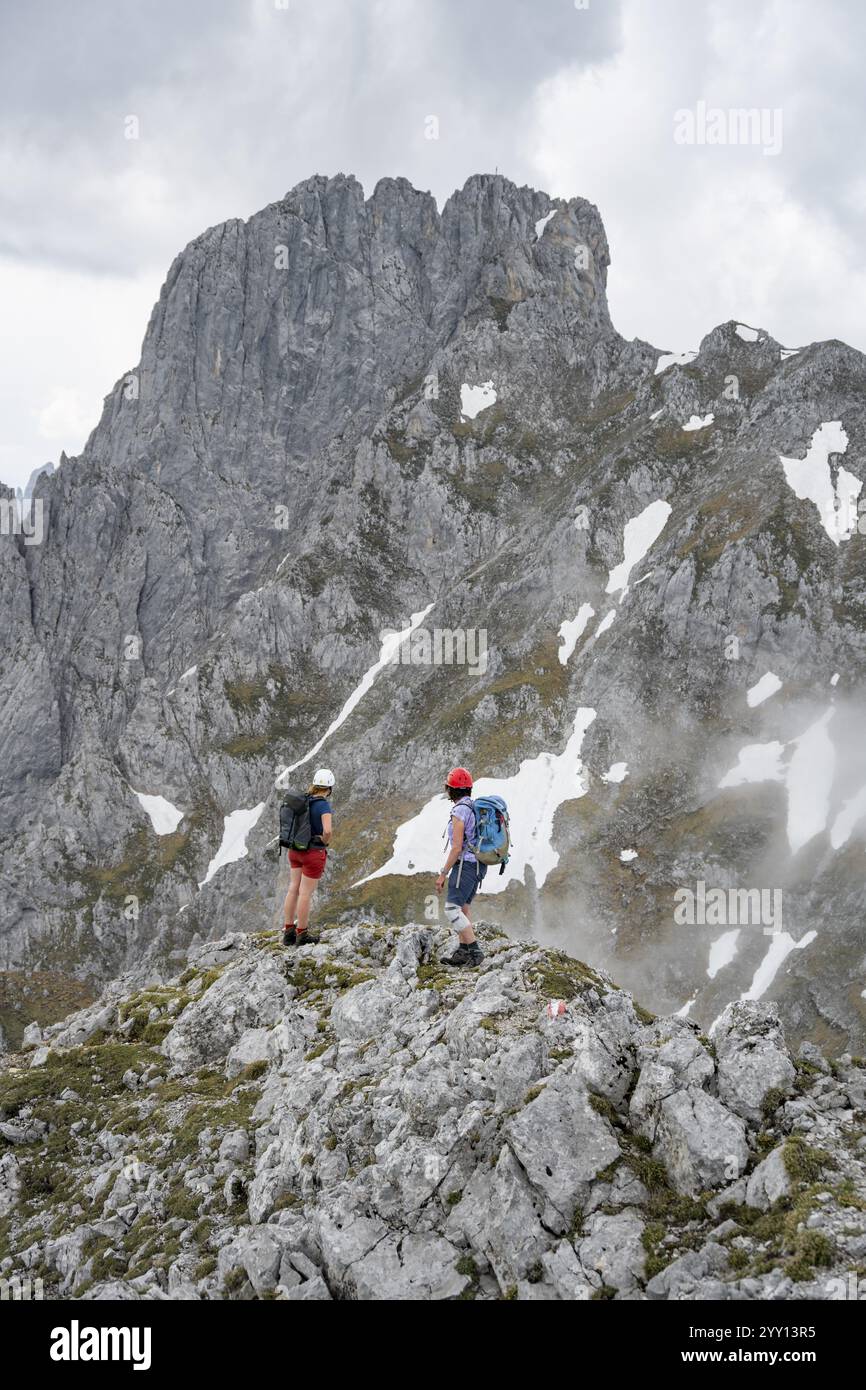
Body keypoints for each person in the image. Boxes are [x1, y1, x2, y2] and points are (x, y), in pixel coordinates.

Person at [435, 766, 485, 968]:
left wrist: (443, 874)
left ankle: (474, 950)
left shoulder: (459, 811)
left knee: (451, 909)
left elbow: (456, 847)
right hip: (479, 865)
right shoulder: (473, 807)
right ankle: (463, 951)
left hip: (465, 865)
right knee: (463, 908)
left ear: (451, 790)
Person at [283, 768, 334, 947]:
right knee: (305, 894)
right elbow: (327, 830)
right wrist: (323, 840)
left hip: (295, 850)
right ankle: (302, 934)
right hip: (313, 853)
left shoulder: (303, 801)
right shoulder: (323, 805)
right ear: (328, 788)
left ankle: (288, 932)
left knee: (293, 889)